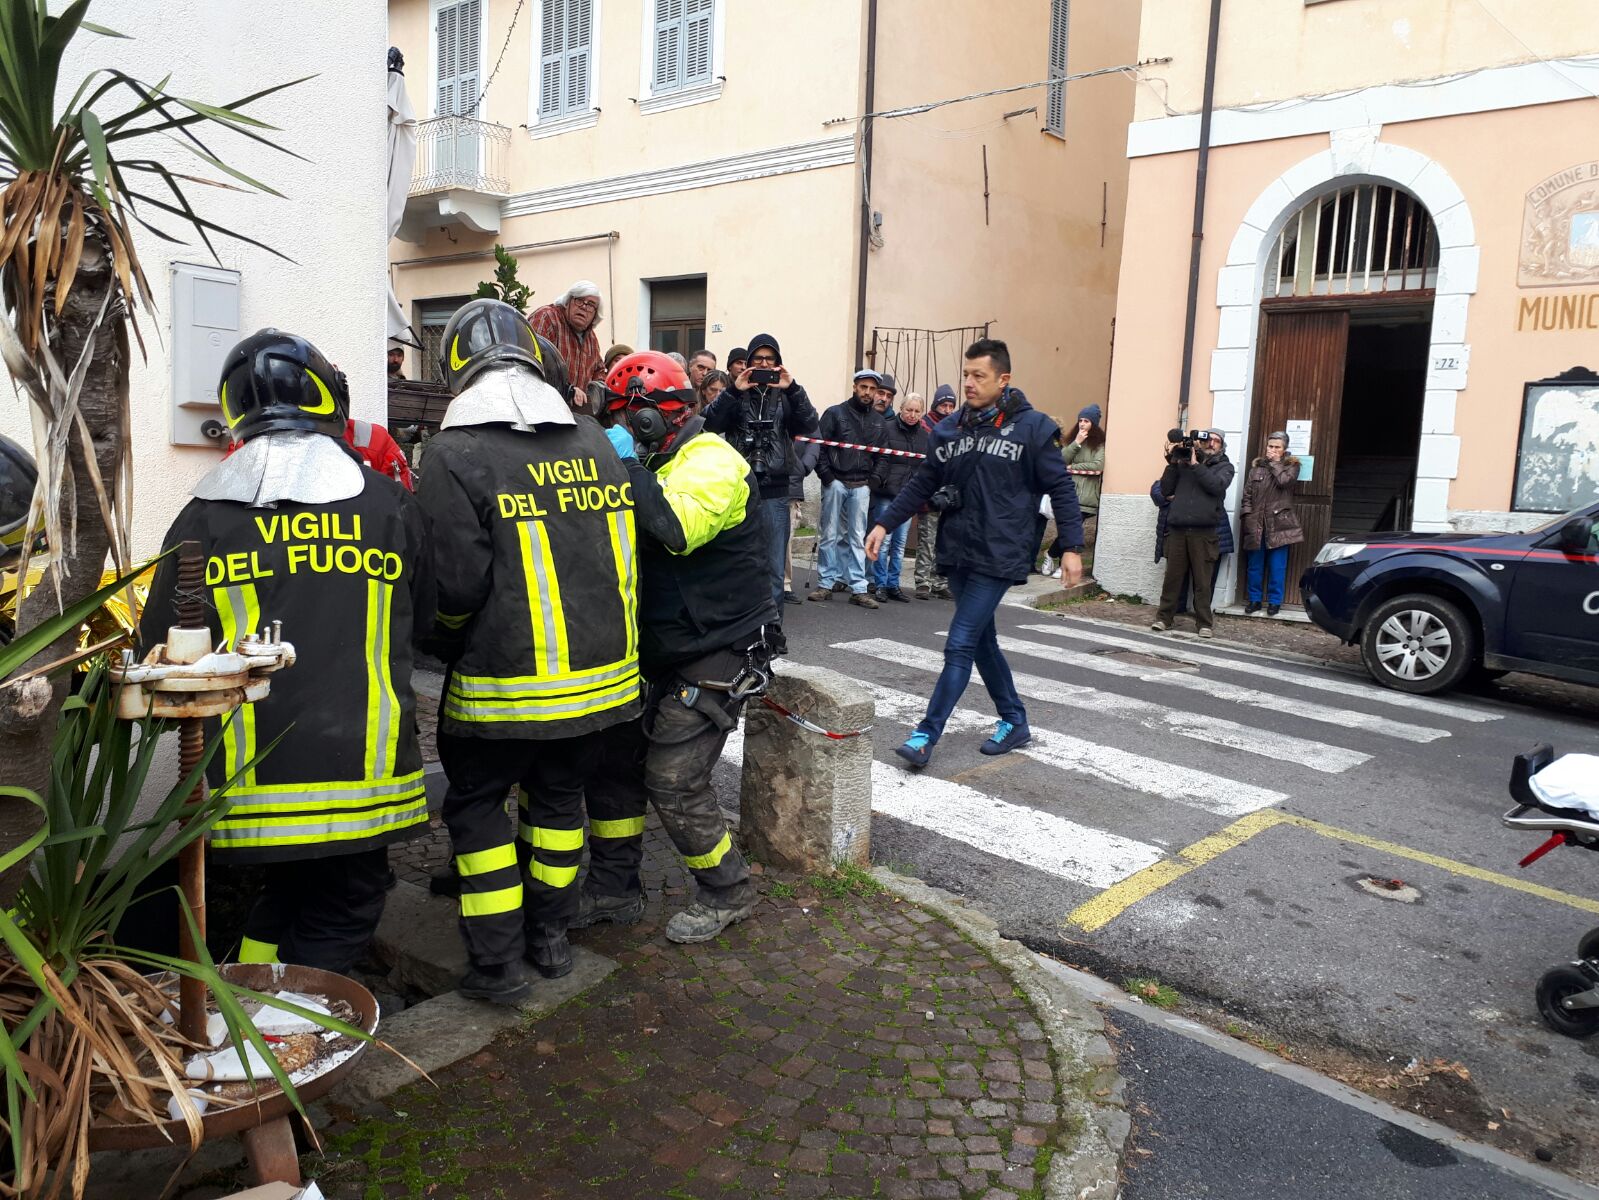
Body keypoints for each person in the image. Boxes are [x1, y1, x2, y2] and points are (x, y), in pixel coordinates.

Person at [140, 329, 435, 975]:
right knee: (347, 902)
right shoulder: (386, 505)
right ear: (330, 401)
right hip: (364, 770)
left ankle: (249, 1011)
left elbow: (157, 645)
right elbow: (429, 614)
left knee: (282, 895)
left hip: (248, 781)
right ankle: (296, 1039)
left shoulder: (202, 518)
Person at [418, 298, 640, 1004]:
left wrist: (444, 642)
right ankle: (551, 937)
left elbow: (453, 586)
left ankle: (497, 963)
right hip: (603, 688)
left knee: (477, 810)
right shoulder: (594, 439)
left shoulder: (453, 454)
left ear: (456, 368)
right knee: (557, 805)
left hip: (502, 689)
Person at [584, 352, 780, 942]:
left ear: (653, 419)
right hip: (659, 645)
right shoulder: (652, 459)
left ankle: (727, 889)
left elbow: (674, 529)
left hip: (720, 644)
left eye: (627, 419)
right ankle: (613, 889)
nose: (622, 431)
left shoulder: (713, 460)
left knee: (672, 778)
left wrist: (624, 462)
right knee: (613, 766)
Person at [866, 338, 1084, 768]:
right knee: (983, 639)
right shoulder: (949, 429)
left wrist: (1071, 547)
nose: (968, 383)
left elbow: (1060, 486)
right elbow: (923, 482)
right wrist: (884, 522)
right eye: (966, 374)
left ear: (1003, 380)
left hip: (1001, 550)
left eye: (978, 376)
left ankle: (925, 735)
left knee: (961, 642)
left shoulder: (1033, 428)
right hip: (959, 547)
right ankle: (1014, 719)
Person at [701, 333, 819, 615]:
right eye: (758, 359)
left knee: (774, 569)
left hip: (776, 491)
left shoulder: (787, 395)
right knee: (736, 562)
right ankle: (739, 626)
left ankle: (772, 627)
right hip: (739, 486)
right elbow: (708, 423)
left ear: (778, 363)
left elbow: (810, 423)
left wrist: (793, 389)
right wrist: (733, 391)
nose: (764, 364)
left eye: (770, 359)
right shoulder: (735, 393)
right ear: (748, 363)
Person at [810, 370, 885, 608]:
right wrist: (827, 477)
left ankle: (859, 587)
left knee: (857, 536)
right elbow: (820, 446)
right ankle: (825, 583)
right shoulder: (835, 413)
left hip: (862, 483)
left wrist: (873, 481)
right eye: (864, 387)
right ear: (854, 387)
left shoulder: (878, 421)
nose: (868, 393)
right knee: (830, 534)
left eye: (872, 389)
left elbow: (883, 456)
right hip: (837, 481)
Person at [1151, 428, 1235, 638]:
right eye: (1208, 440)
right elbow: (1167, 490)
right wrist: (1173, 463)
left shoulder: (1225, 466)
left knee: (1202, 582)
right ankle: (1164, 618)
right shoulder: (1184, 463)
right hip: (1178, 530)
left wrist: (1196, 465)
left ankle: (1204, 623)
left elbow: (1216, 487)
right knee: (1172, 579)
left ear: (1222, 446)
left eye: (1216, 441)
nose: (1211, 444)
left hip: (1204, 532)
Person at [867, 392, 927, 602]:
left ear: (922, 413)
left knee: (900, 543)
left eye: (916, 411)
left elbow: (923, 468)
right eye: (908, 410)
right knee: (883, 542)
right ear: (901, 409)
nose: (912, 415)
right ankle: (880, 584)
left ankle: (894, 584)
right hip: (886, 493)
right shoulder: (888, 428)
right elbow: (880, 458)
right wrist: (881, 481)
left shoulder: (924, 436)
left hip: (907, 497)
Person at [1240, 430, 1304, 616]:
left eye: (1277, 447)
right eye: (1270, 446)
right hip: (1256, 523)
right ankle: (1254, 600)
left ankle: (1275, 602)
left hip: (1280, 524)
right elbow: (1247, 496)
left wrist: (1275, 464)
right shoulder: (1256, 469)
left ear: (1284, 450)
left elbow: (1285, 482)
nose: (1273, 450)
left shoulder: (1292, 466)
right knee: (1255, 565)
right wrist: (1247, 517)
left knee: (1277, 566)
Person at [913, 384, 959, 600]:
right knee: (927, 537)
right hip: (930, 490)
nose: (948, 409)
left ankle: (940, 580)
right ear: (936, 405)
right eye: (944, 405)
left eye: (951, 405)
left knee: (945, 539)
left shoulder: (956, 427)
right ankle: (923, 581)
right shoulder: (925, 425)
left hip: (949, 492)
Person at [528, 280, 606, 405]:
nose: (584, 307)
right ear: (567, 302)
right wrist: (568, 389)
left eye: (591, 305)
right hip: (542, 406)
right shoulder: (547, 318)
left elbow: (599, 372)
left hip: (575, 414)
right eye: (579, 300)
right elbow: (532, 363)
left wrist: (597, 393)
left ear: (595, 315)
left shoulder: (592, 339)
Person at [1060, 404, 1105, 554]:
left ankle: (1052, 555)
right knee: (1070, 530)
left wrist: (1074, 466)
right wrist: (1076, 443)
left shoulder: (1099, 444)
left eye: (1086, 421)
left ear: (1093, 424)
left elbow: (1098, 465)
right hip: (1069, 493)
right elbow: (1062, 460)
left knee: (1072, 530)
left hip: (1087, 497)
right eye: (1080, 420)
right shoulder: (1073, 440)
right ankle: (1059, 561)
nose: (1082, 423)